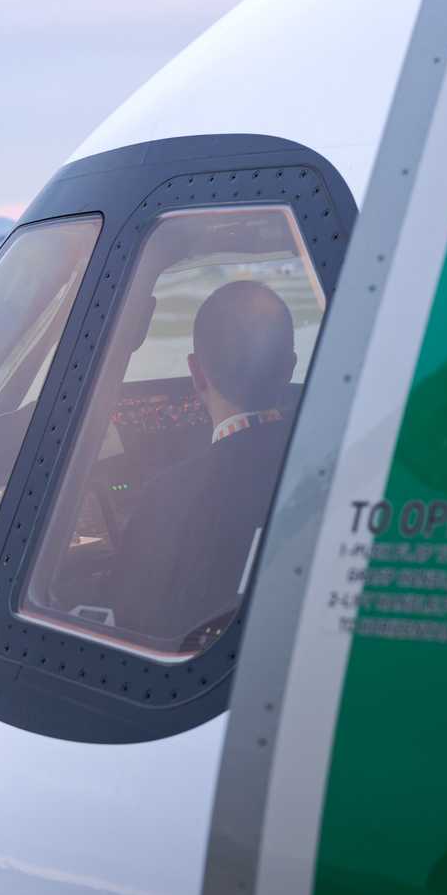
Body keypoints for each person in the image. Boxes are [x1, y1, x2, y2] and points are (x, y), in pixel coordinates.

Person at [112, 280, 298, 653]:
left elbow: (130, 624)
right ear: (290, 367)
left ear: (196, 373)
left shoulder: (163, 500)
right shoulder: (327, 470)